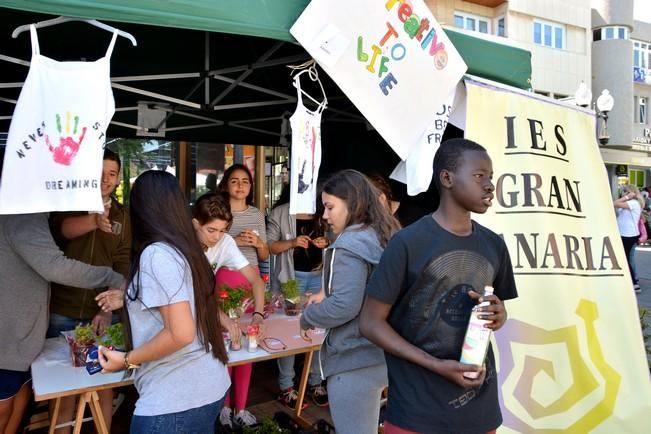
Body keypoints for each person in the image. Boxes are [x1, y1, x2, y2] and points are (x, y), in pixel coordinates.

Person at [359, 138, 518, 434]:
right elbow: (369, 323)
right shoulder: (407, 243)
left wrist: (499, 315)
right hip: (417, 410)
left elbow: (498, 309)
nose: (489, 185)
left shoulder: (494, 245)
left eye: (491, 177)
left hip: (479, 409)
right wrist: (435, 365)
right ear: (446, 178)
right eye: (479, 175)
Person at [0, 141, 125, 434]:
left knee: (20, 398)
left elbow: (122, 255)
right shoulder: (25, 214)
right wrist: (112, 278)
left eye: (112, 173)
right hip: (17, 333)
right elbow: (56, 262)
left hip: (23, 336)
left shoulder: (27, 211)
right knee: (16, 402)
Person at [97, 170, 229, 434]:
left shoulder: (157, 254)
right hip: (204, 387)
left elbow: (180, 333)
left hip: (175, 398)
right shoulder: (184, 250)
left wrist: (126, 360)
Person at [299, 169, 400, 434]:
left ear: (352, 203)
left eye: (330, 207)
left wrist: (307, 317)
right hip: (389, 354)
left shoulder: (348, 244)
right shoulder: (386, 233)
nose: (324, 216)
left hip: (354, 359)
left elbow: (344, 306)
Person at [46, 148, 130, 434]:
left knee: (104, 384)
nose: (105, 179)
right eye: (100, 172)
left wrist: (107, 309)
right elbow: (62, 231)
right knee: (63, 390)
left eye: (112, 174)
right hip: (63, 310)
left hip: (103, 314)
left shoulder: (122, 216)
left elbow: (123, 262)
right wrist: (94, 221)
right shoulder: (71, 203)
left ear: (118, 179)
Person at [191, 191, 265, 408]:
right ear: (196, 224)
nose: (216, 237)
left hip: (204, 313)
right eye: (211, 230)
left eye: (222, 230)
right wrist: (221, 316)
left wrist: (258, 316)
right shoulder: (183, 244)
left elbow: (256, 281)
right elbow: (192, 293)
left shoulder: (225, 242)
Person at [216, 164, 269, 427]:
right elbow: (210, 244)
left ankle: (241, 408)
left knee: (249, 343)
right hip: (224, 278)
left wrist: (260, 244)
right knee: (227, 344)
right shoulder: (219, 213)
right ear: (225, 184)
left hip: (252, 281)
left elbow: (265, 255)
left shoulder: (257, 214)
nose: (240, 186)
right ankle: (223, 408)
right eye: (234, 181)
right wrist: (232, 241)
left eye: (245, 181)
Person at [267, 184, 329, 409]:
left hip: (320, 277)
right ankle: (287, 388)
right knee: (290, 329)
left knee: (319, 328)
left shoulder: (324, 211)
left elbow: (339, 238)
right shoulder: (281, 212)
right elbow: (270, 247)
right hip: (291, 279)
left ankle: (314, 382)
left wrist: (327, 243)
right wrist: (292, 243)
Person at [614, 184, 644, 292]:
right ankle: (632, 280)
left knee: (625, 259)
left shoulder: (633, 203)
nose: (623, 193)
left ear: (631, 192)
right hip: (625, 235)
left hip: (628, 235)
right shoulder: (628, 203)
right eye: (623, 191)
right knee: (628, 259)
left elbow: (615, 203)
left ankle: (634, 284)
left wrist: (628, 197)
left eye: (625, 191)